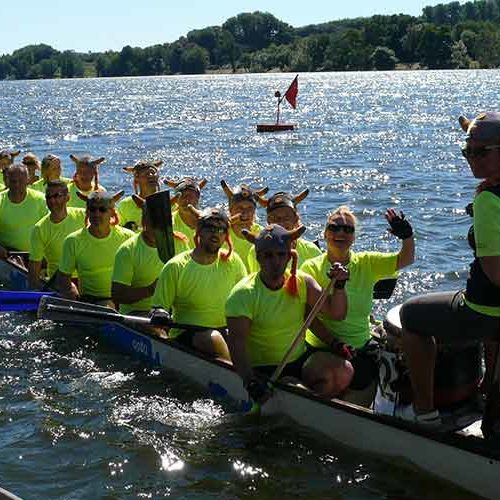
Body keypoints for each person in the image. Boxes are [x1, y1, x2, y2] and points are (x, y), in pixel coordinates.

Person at [399, 112, 500, 429]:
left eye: (480, 152)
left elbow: (496, 273)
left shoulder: (488, 200)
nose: (471, 159)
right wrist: (477, 133)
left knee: (411, 316)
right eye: (467, 151)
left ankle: (424, 412)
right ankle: (487, 389)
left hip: (485, 308)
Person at [226, 224, 353, 403]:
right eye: (268, 255)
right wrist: (250, 381)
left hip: (298, 359)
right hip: (264, 369)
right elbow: (236, 344)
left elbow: (335, 313)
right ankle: (308, 403)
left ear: (289, 256)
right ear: (258, 257)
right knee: (295, 388)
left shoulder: (303, 282)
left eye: (280, 254)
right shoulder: (243, 294)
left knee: (344, 370)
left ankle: (314, 405)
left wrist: (339, 285)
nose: (275, 262)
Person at [301, 206, 414, 400]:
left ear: (354, 237)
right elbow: (307, 316)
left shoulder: (366, 262)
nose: (341, 233)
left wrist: (407, 236)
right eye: (334, 227)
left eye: (348, 229)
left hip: (360, 347)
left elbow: (406, 259)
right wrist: (334, 343)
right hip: (323, 348)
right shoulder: (310, 268)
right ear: (325, 233)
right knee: (339, 373)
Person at [151, 206, 246, 360]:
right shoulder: (176, 266)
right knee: (213, 338)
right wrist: (159, 314)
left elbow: (246, 299)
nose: (216, 233)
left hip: (226, 330)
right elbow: (158, 307)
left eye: (221, 229)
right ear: (199, 231)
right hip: (187, 334)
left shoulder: (233, 261)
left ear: (226, 236)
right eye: (210, 227)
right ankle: (238, 378)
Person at [112, 195, 189, 315]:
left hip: (173, 312)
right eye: (152, 218)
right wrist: (150, 290)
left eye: (161, 218)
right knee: (159, 334)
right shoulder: (128, 250)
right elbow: (118, 295)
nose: (157, 223)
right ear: (143, 220)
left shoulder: (180, 242)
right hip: (139, 313)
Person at [57, 191, 134, 305]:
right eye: (92, 209)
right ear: (87, 212)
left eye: (102, 209)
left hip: (125, 302)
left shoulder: (129, 238)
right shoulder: (73, 241)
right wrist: (70, 288)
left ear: (112, 212)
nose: (97, 214)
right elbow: (63, 278)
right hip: (91, 302)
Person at [29, 180, 86, 289]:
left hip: (86, 278)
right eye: (48, 197)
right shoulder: (39, 229)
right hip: (60, 281)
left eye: (56, 196)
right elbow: (34, 267)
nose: (52, 200)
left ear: (67, 198)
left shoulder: (84, 216)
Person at [246, 190, 322, 272]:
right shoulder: (256, 251)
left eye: (286, 218)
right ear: (268, 221)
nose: (281, 222)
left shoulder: (311, 251)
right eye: (275, 218)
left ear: (295, 219)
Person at [0, 164, 47, 258]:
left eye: (20, 181)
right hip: (7, 257)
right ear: (7, 181)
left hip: (36, 256)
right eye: (13, 181)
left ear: (28, 180)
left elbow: (50, 228)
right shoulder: (1, 200)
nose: (17, 185)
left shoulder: (40, 199)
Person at [220, 179, 268, 270]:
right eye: (240, 208)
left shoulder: (262, 234)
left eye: (250, 208)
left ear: (254, 211)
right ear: (230, 210)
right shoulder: (221, 234)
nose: (244, 213)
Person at [116, 159, 162, 231]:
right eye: (146, 174)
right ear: (137, 179)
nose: (151, 175)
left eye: (153, 173)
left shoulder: (169, 203)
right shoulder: (125, 205)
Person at [164, 176, 207, 247]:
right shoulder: (168, 222)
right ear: (176, 200)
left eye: (190, 196)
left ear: (197, 198)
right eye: (182, 196)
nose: (186, 200)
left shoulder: (208, 222)